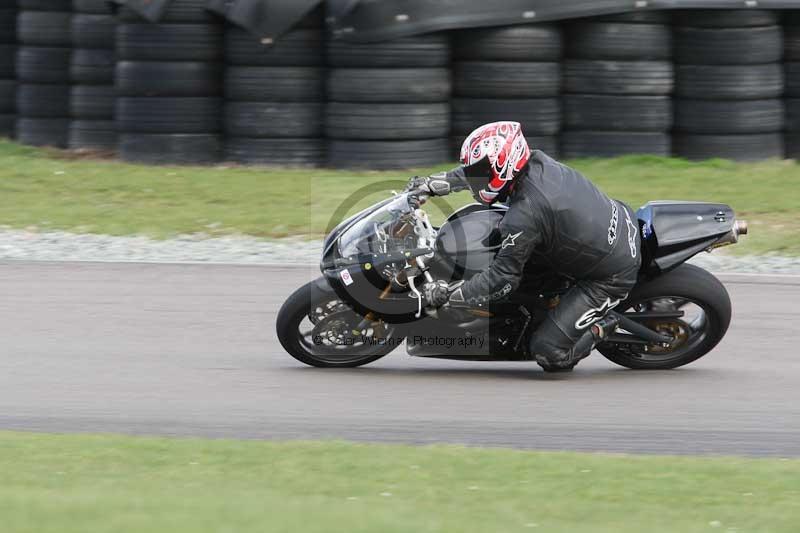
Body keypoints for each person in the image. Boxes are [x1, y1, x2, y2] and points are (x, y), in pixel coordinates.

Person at [410, 121, 641, 372]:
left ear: (504, 165)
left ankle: (603, 325)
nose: (476, 178)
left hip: (610, 274)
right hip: (613, 223)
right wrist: (431, 184)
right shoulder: (535, 162)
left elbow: (502, 279)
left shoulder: (525, 214)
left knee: (548, 352)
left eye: (481, 171)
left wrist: (452, 295)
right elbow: (476, 175)